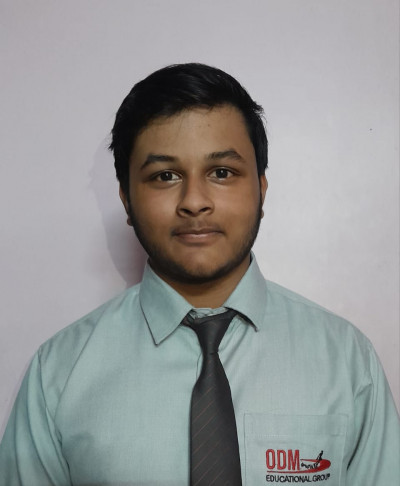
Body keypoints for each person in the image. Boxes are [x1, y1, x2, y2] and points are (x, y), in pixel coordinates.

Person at [0, 63, 398, 486]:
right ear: (127, 199)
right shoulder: (58, 373)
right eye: (165, 176)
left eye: (222, 172)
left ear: (261, 190)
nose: (194, 201)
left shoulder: (347, 362)